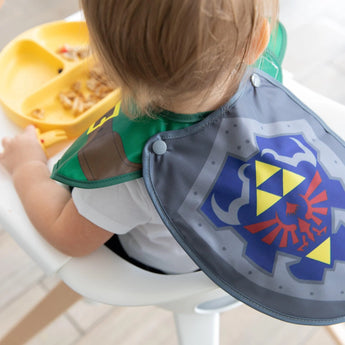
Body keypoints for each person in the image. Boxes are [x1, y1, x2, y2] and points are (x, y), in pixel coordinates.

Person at [0, 0, 278, 273]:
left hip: (173, 262)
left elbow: (66, 236)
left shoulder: (134, 167)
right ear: (258, 40)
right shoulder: (268, 86)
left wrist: (28, 166)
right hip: (245, 241)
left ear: (106, 64)